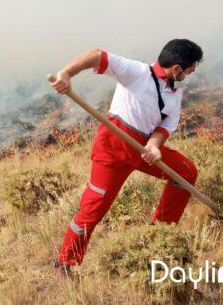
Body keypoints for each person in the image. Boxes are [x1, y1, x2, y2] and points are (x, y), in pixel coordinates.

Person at [50, 39, 203, 274]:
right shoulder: (136, 72)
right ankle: (66, 263)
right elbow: (97, 55)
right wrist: (67, 73)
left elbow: (165, 126)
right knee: (94, 207)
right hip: (111, 148)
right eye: (192, 66)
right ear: (177, 68)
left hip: (143, 150)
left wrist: (154, 145)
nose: (192, 71)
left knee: (186, 172)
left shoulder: (174, 94)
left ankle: (158, 236)